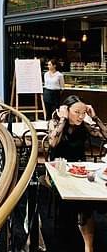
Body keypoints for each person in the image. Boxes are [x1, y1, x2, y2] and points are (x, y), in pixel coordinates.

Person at [48, 95, 107, 252]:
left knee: (85, 201)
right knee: (71, 202)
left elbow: (105, 135)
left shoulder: (84, 126)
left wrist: (94, 117)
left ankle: (88, 245)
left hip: (80, 170)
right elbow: (52, 142)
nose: (81, 116)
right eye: (76, 112)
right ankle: (67, 236)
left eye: (83, 112)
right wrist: (62, 119)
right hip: (58, 172)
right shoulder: (55, 122)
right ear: (67, 110)